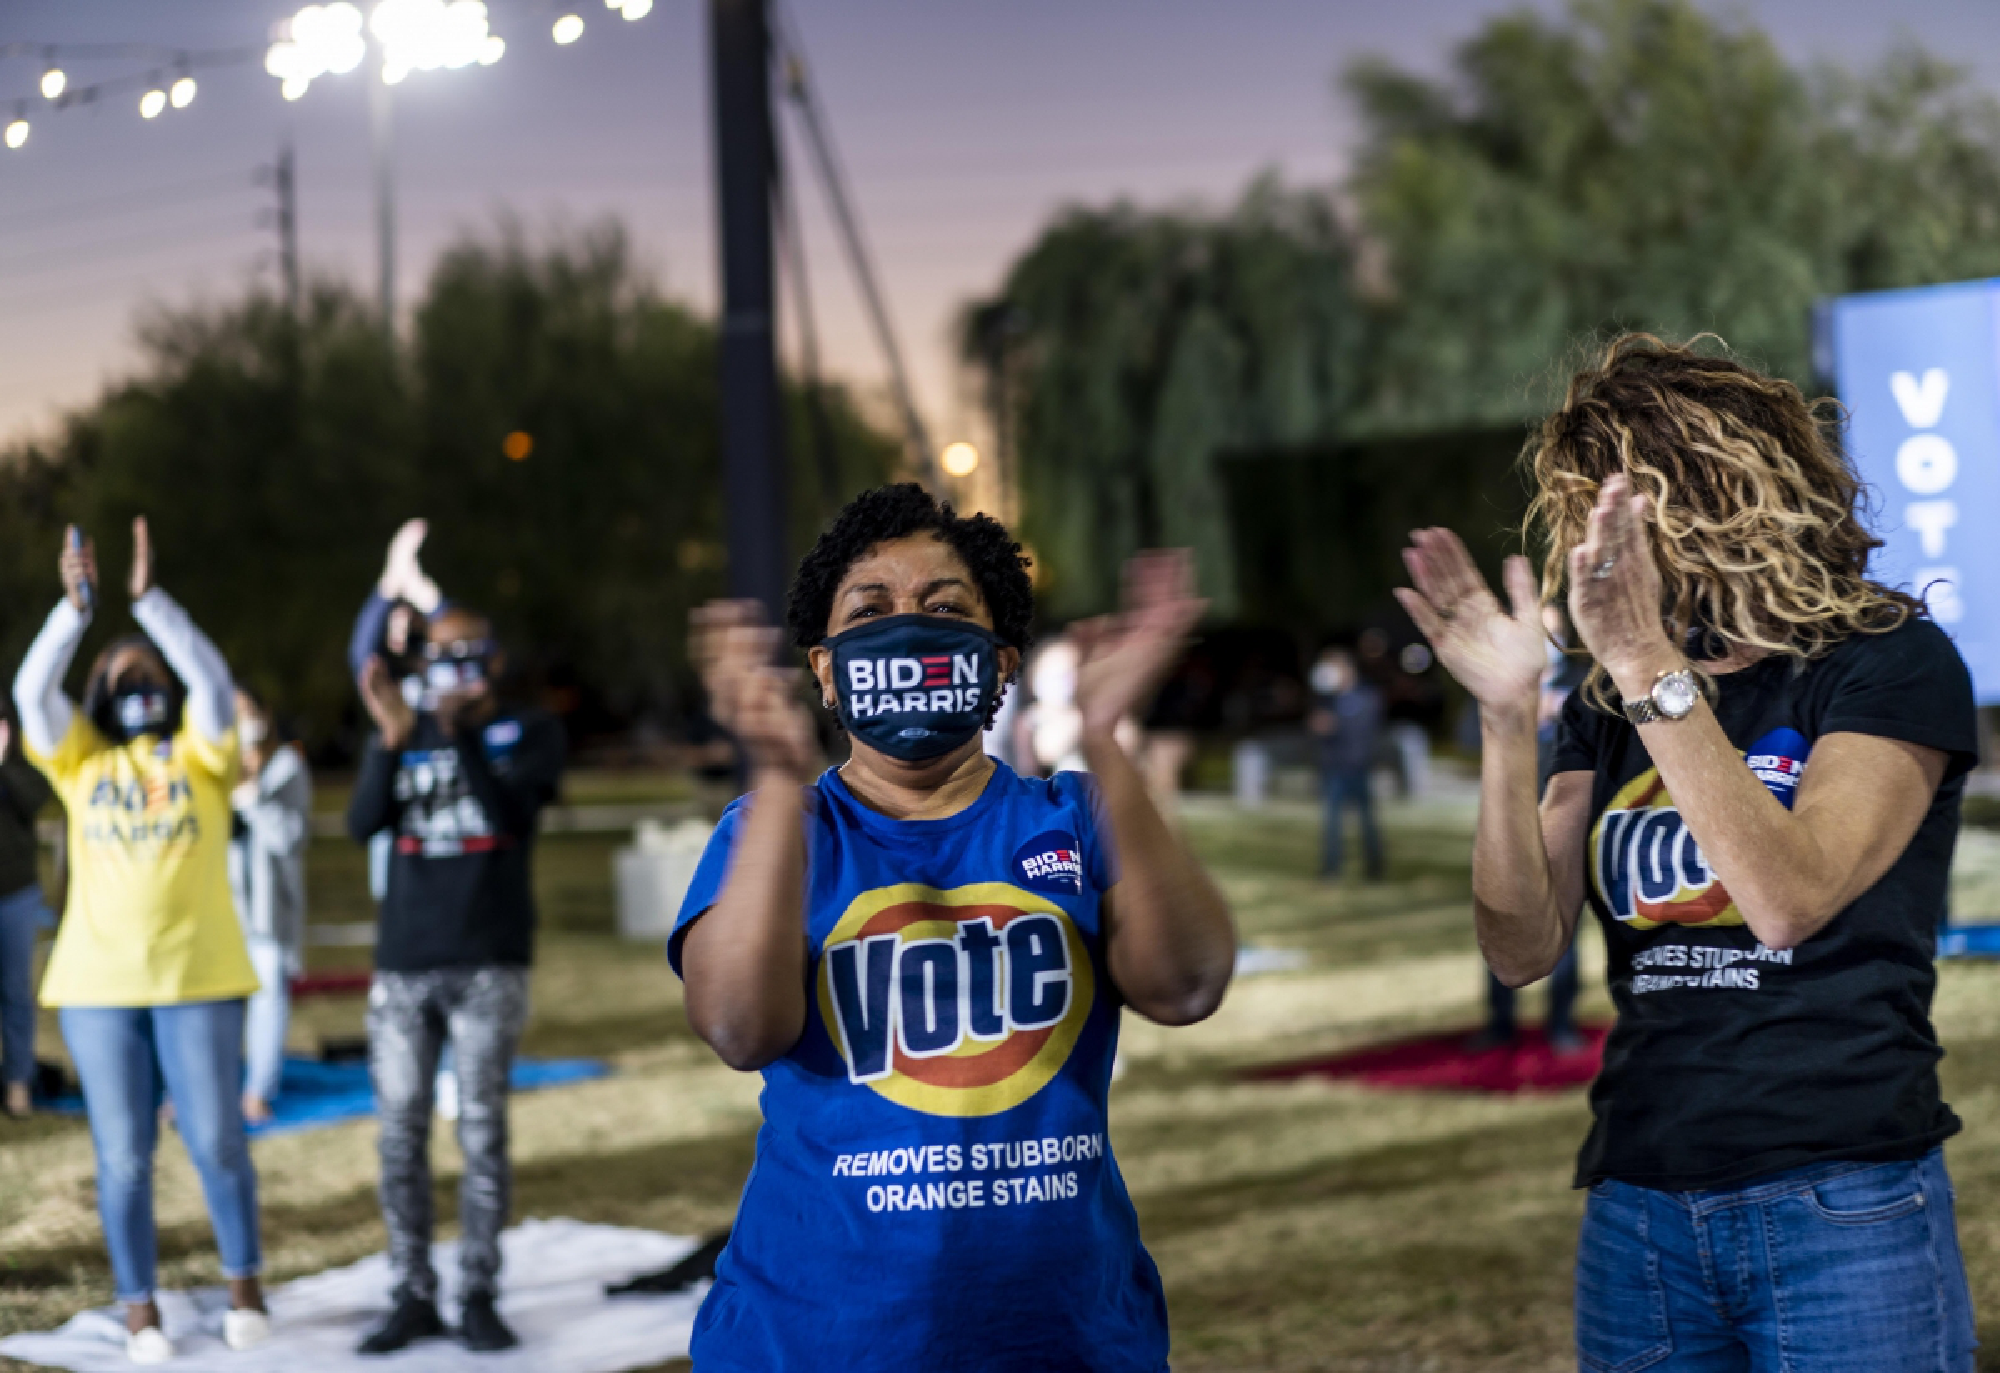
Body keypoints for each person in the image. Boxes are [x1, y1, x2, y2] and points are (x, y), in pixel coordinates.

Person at [1398, 334, 1978, 1371]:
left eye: (1612, 510)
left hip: (1838, 1195)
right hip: (1641, 1202)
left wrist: (1643, 664)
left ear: (1716, 500)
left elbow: (1786, 898)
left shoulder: (1884, 660)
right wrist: (1501, 721)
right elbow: (1519, 945)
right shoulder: (1605, 701)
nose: (1588, 544)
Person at [675, 483, 1236, 1372]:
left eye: (944, 606)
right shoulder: (775, 829)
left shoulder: (1076, 817)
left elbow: (1188, 985)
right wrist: (782, 775)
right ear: (824, 667)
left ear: (1000, 660)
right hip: (814, 1343)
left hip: (1068, 1339)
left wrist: (1103, 736)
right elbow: (742, 1028)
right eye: (871, 607)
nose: (908, 626)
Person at [14, 519, 269, 1363]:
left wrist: (151, 605)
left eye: (146, 675)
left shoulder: (204, 751)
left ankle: (244, 1286)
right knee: (122, 1157)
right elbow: (28, 692)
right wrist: (73, 611)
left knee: (218, 1144)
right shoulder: (80, 758)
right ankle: (140, 1311)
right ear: (98, 696)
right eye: (119, 679)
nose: (137, 686)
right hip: (98, 988)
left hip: (198, 978)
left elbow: (211, 675)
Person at [347, 605, 565, 1355]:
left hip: (488, 960)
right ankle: (411, 1291)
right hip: (404, 960)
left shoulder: (531, 731)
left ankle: (478, 1291)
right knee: (400, 1136)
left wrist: (463, 731)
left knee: (481, 1134)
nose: (454, 667)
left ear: (495, 660)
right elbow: (361, 822)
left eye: (469, 652)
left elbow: (507, 816)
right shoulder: (407, 727)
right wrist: (391, 735)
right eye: (440, 654)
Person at [1470, 606, 1586, 1054]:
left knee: (1562, 927)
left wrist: (1558, 715)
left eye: (1552, 633)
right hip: (1510, 826)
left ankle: (1561, 1022)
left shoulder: (1582, 686)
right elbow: (1467, 736)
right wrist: (1511, 719)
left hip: (1562, 822)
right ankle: (1500, 1023)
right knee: (1503, 919)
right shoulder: (1504, 684)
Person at [228, 687, 312, 1126]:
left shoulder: (286, 768)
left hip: (268, 910)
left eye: (247, 710)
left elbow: (290, 838)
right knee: (216, 1007)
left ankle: (258, 1090)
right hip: (222, 910)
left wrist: (252, 796)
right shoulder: (209, 766)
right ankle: (207, 1088)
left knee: (268, 1000)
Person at [0, 705, 54, 1120]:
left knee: (16, 992)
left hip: (16, 894)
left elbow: (37, 801)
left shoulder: (22, 769)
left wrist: (3, 764)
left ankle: (19, 1083)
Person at [1307, 645, 1385, 881]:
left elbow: (1363, 727)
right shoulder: (1327, 699)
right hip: (1333, 768)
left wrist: (1336, 723)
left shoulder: (1366, 696)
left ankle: (1374, 869)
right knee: (1332, 823)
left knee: (1367, 822)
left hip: (1358, 767)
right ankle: (1331, 869)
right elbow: (1317, 725)